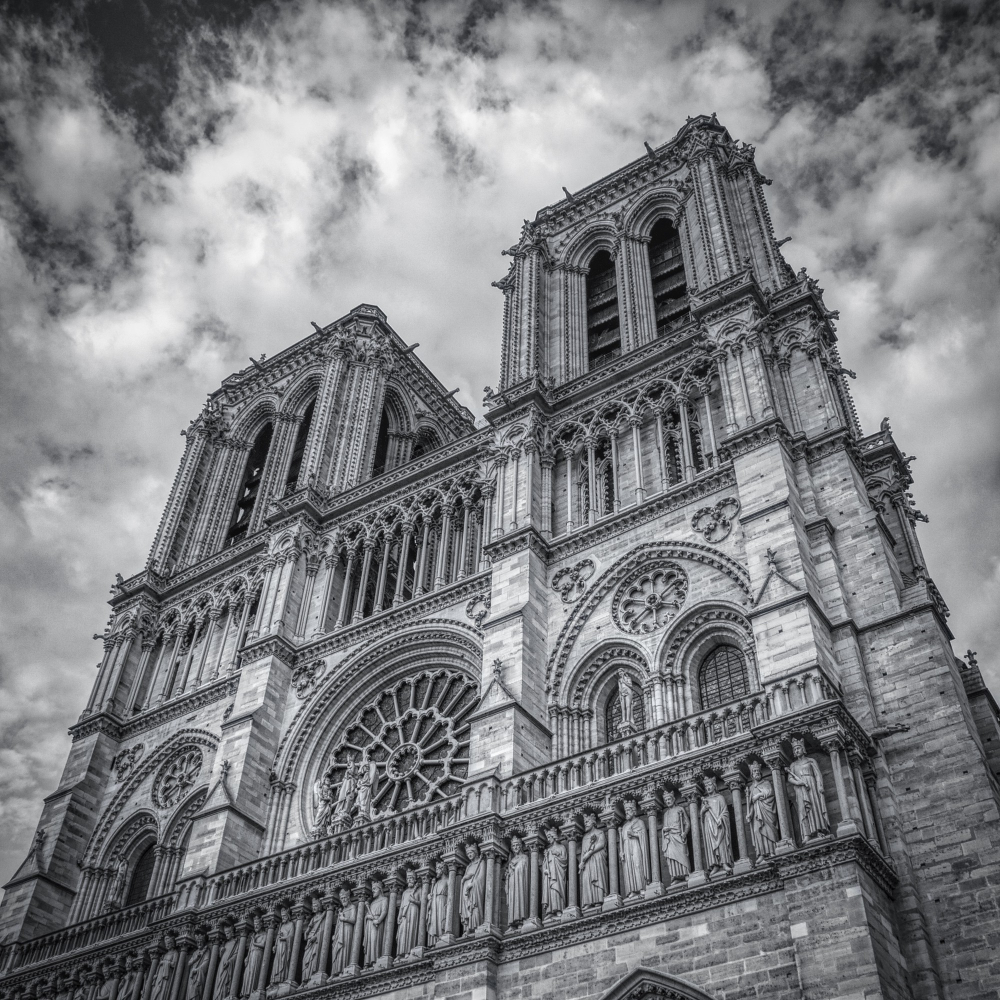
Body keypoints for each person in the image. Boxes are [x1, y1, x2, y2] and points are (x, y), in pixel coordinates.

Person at [786, 738, 830, 840]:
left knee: (815, 807)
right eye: (795, 749)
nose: (796, 751)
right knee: (803, 810)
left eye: (798, 748)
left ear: (803, 749)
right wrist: (799, 782)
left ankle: (819, 830)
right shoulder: (793, 765)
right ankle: (807, 834)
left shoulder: (811, 761)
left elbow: (817, 775)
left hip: (811, 785)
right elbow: (790, 778)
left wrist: (820, 786)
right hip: (800, 788)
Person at [746, 761, 780, 861]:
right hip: (757, 813)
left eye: (758, 771)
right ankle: (761, 853)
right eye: (754, 771)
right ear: (752, 774)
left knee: (768, 829)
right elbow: (751, 804)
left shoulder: (766, 783)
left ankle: (772, 851)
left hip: (767, 810)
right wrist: (750, 814)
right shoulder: (751, 788)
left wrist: (759, 795)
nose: (756, 772)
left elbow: (770, 792)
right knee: (757, 831)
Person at [700, 776, 733, 874]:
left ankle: (724, 863)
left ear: (714, 786)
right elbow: (701, 817)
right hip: (709, 826)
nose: (708, 787)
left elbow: (725, 812)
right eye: (706, 786)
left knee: (721, 843)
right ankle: (715, 864)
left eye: (710, 784)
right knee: (711, 846)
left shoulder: (720, 798)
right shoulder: (705, 801)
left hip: (719, 824)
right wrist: (703, 810)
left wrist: (721, 819)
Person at [619, 800, 650, 899]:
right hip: (627, 848)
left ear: (633, 811)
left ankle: (642, 887)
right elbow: (622, 840)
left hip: (636, 845)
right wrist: (621, 851)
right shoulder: (624, 826)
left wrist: (634, 834)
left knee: (637, 865)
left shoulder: (639, 822)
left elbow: (643, 835)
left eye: (628, 810)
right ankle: (632, 890)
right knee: (629, 868)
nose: (627, 812)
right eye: (626, 811)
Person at [579, 813, 608, 908]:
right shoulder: (585, 837)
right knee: (587, 879)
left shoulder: (599, 832)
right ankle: (588, 901)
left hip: (597, 859)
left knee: (597, 876)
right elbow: (583, 852)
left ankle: (599, 899)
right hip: (587, 862)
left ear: (593, 822)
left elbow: (601, 844)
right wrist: (582, 862)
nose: (586, 824)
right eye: (584, 822)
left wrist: (590, 852)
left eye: (587, 822)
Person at [661, 790, 690, 882]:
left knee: (682, 854)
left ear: (673, 799)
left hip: (678, 835)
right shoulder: (666, 814)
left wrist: (685, 833)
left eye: (669, 799)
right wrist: (664, 830)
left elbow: (687, 823)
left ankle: (686, 873)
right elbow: (665, 827)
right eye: (666, 800)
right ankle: (676, 876)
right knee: (671, 857)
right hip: (669, 838)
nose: (668, 801)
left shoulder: (680, 809)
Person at [459, 843, 486, 934]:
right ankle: (467, 928)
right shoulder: (468, 866)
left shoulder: (481, 862)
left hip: (475, 889)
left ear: (475, 852)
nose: (469, 855)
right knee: (467, 909)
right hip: (466, 890)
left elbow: (481, 877)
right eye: (468, 854)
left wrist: (473, 883)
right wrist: (464, 879)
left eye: (471, 852)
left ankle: (476, 926)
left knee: (474, 907)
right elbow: (466, 877)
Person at [504, 836, 530, 927]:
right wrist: (508, 873)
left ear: (521, 846)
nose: (515, 847)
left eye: (517, 845)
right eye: (513, 846)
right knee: (512, 901)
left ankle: (521, 920)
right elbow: (509, 874)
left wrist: (515, 868)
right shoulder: (512, 860)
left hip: (520, 884)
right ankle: (512, 923)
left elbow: (524, 871)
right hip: (513, 885)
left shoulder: (524, 857)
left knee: (519, 899)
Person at [541, 827, 567, 917]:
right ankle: (550, 910)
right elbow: (545, 863)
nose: (548, 839)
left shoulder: (561, 847)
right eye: (547, 838)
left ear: (554, 837)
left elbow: (564, 860)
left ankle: (559, 908)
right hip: (550, 875)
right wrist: (545, 869)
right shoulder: (547, 850)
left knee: (557, 889)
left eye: (549, 837)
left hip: (558, 874)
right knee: (551, 891)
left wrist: (557, 855)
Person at [395, 869, 421, 956]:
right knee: (402, 932)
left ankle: (409, 951)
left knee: (410, 930)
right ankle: (401, 953)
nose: (409, 880)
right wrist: (399, 916)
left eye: (411, 878)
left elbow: (422, 903)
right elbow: (402, 905)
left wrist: (414, 901)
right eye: (408, 878)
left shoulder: (419, 890)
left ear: (415, 879)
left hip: (413, 911)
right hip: (404, 914)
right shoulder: (405, 892)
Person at [330, 889, 355, 976]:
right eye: (341, 898)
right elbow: (338, 925)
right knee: (336, 951)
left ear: (348, 898)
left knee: (344, 949)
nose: (343, 900)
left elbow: (353, 919)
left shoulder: (352, 907)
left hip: (347, 931)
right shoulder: (341, 911)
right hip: (339, 933)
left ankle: (343, 970)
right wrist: (335, 934)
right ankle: (335, 972)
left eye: (344, 898)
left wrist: (344, 919)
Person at [363, 882, 388, 966]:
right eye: (372, 889)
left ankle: (375, 960)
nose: (372, 891)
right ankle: (369, 961)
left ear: (380, 889)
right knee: (370, 942)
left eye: (374, 889)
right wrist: (368, 917)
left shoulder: (384, 899)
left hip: (377, 923)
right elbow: (368, 915)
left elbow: (384, 911)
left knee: (374, 941)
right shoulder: (372, 903)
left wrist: (379, 920)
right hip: (370, 924)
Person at [241, 916, 266, 995]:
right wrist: (247, 957)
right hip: (251, 954)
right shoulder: (254, 936)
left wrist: (254, 942)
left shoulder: (264, 934)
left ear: (261, 924)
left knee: (254, 972)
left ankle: (252, 990)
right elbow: (250, 948)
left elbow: (263, 944)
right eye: (254, 924)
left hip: (257, 954)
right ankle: (245, 992)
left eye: (257, 924)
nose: (255, 926)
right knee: (247, 974)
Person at [426, 860, 449, 945]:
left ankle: (443, 936)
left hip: (443, 902)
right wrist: (430, 898)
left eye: (438, 870)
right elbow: (432, 895)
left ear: (442, 869)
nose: (436, 872)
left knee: (442, 920)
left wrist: (448, 904)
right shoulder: (436, 883)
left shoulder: (448, 880)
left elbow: (451, 894)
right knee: (435, 921)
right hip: (435, 904)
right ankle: (435, 941)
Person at [213, 925, 239, 1000]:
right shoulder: (225, 944)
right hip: (221, 966)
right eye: (225, 933)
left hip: (228, 966)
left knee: (224, 983)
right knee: (219, 982)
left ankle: (223, 996)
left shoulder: (236, 942)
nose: (226, 935)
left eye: (228, 933)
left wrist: (229, 962)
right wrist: (221, 952)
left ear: (232, 933)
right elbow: (222, 956)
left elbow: (236, 955)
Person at [150, 935, 178, 1000]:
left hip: (167, 975)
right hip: (160, 974)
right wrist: (156, 975)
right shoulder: (165, 954)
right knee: (156, 990)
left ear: (172, 944)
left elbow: (174, 964)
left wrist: (164, 962)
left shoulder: (175, 953)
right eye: (166, 944)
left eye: (169, 943)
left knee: (163, 989)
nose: (167, 945)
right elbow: (159, 965)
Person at [271, 906, 295, 984]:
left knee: (283, 961)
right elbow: (278, 936)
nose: (283, 918)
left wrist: (284, 938)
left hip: (285, 946)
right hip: (279, 946)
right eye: (282, 916)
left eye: (284, 916)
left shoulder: (291, 924)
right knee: (277, 962)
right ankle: (275, 979)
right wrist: (275, 945)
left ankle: (283, 978)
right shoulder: (282, 925)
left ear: (288, 916)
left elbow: (291, 936)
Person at [300, 907, 324, 982]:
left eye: (316, 905)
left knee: (313, 957)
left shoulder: (323, 917)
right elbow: (309, 927)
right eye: (313, 905)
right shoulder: (313, 918)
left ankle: (313, 975)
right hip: (310, 939)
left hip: (316, 940)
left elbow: (323, 930)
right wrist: (306, 933)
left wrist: (316, 936)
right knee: (305, 959)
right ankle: (305, 979)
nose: (314, 907)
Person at [184, 932, 210, 1000]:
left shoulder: (206, 951)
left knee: (196, 990)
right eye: (198, 942)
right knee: (190, 991)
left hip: (199, 974)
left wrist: (198, 969)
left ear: (204, 942)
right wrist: (196, 958)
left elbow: (206, 962)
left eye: (200, 942)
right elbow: (189, 963)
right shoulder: (195, 952)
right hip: (192, 974)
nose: (199, 943)